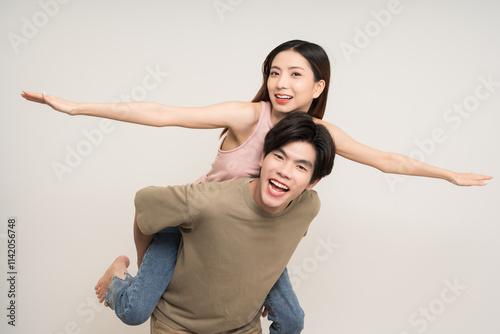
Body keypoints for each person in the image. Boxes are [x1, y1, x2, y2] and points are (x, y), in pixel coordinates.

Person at [21, 39, 492, 333]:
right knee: (137, 308)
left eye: (295, 74)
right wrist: (76, 107)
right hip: (194, 227)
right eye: (273, 72)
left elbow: (387, 159)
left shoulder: (319, 136)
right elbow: (162, 113)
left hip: (253, 240)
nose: (281, 83)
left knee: (292, 321)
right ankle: (119, 275)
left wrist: (447, 174)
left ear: (318, 86)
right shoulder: (250, 116)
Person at [108, 112, 335, 333]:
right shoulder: (209, 202)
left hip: (243, 327)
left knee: (294, 321)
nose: (285, 172)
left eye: (301, 167)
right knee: (134, 311)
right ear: (263, 156)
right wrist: (142, 258)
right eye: (279, 157)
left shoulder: (308, 207)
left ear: (313, 181)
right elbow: (144, 202)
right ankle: (115, 279)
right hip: (178, 325)